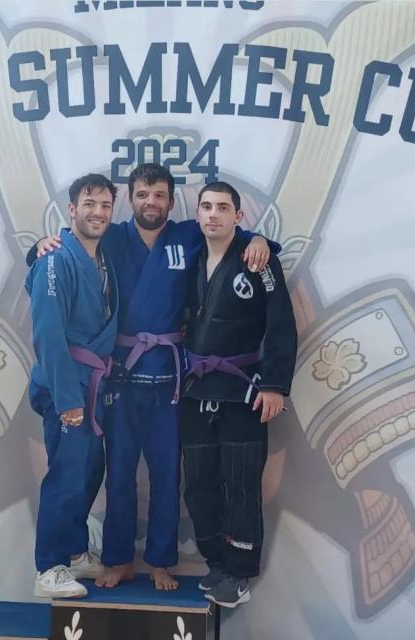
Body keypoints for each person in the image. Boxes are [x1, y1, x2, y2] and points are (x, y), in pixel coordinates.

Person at [28, 163, 274, 591]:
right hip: (119, 378)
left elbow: (228, 234)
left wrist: (259, 241)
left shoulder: (188, 235)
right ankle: (119, 558)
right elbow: (64, 250)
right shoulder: (112, 237)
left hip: (169, 377)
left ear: (171, 201)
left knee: (166, 476)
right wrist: (36, 249)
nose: (151, 202)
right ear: (131, 199)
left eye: (159, 195)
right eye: (142, 195)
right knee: (119, 474)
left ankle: (161, 560)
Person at [180, 181, 297, 608]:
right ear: (197, 214)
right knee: (198, 484)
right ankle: (217, 562)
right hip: (195, 390)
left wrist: (274, 384)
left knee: (242, 482)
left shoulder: (258, 260)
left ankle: (240, 571)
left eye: (223, 208)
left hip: (244, 390)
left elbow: (280, 324)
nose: (213, 214)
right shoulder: (189, 257)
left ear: (238, 216)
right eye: (206, 207)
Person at [26, 173, 119, 599]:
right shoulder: (55, 259)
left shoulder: (104, 257)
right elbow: (47, 334)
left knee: (89, 470)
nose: (97, 212)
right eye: (89, 204)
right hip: (66, 383)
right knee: (66, 474)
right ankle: (49, 566)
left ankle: (76, 552)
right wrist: (67, 400)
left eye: (105, 205)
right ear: (71, 210)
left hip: (92, 383)